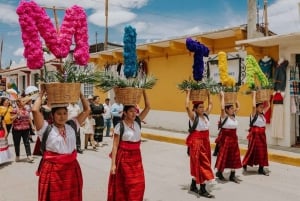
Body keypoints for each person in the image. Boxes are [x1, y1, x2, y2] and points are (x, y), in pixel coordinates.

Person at [32, 90, 90, 201]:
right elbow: (35, 110)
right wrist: (41, 94)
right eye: (58, 114)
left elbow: (87, 110)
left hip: (71, 169)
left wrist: (81, 95)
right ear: (52, 115)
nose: (62, 117)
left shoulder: (72, 125)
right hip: (52, 170)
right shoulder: (45, 129)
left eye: (64, 113)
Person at [107, 90, 150, 201]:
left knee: (139, 184)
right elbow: (115, 146)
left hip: (136, 158)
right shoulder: (119, 126)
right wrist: (113, 165)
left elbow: (148, 107)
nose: (134, 113)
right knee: (126, 185)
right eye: (131, 111)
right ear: (125, 113)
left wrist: (144, 91)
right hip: (124, 158)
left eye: (135, 111)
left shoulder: (137, 122)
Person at [185, 90, 215, 198]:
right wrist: (188, 93)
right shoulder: (194, 117)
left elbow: (211, 104)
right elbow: (187, 107)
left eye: (203, 107)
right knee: (203, 165)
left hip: (206, 143)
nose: (202, 109)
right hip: (197, 144)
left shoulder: (206, 116)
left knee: (200, 164)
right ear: (196, 109)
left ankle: (193, 185)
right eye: (200, 107)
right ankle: (202, 189)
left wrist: (208, 93)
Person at [215, 91, 242, 183]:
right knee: (224, 156)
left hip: (234, 139)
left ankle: (232, 175)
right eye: (231, 108)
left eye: (232, 108)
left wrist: (234, 98)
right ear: (227, 110)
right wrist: (222, 97)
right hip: (226, 140)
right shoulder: (224, 117)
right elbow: (222, 108)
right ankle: (220, 172)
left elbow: (238, 106)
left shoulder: (233, 116)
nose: (233, 110)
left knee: (234, 156)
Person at [242, 91, 270, 176]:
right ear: (257, 108)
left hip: (262, 136)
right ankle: (245, 163)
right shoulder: (254, 115)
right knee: (252, 151)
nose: (262, 108)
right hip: (255, 136)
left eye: (262, 107)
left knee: (263, 151)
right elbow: (253, 106)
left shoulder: (262, 114)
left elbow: (268, 105)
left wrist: (267, 97)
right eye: (260, 107)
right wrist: (254, 95)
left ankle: (261, 169)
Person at [11, 96, 34, 162]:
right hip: (16, 129)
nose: (24, 102)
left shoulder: (26, 109)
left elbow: (29, 118)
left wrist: (32, 126)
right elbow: (11, 119)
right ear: (18, 103)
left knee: (27, 142)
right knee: (17, 143)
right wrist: (16, 115)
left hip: (26, 128)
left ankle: (29, 156)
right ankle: (17, 156)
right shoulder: (14, 109)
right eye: (23, 101)